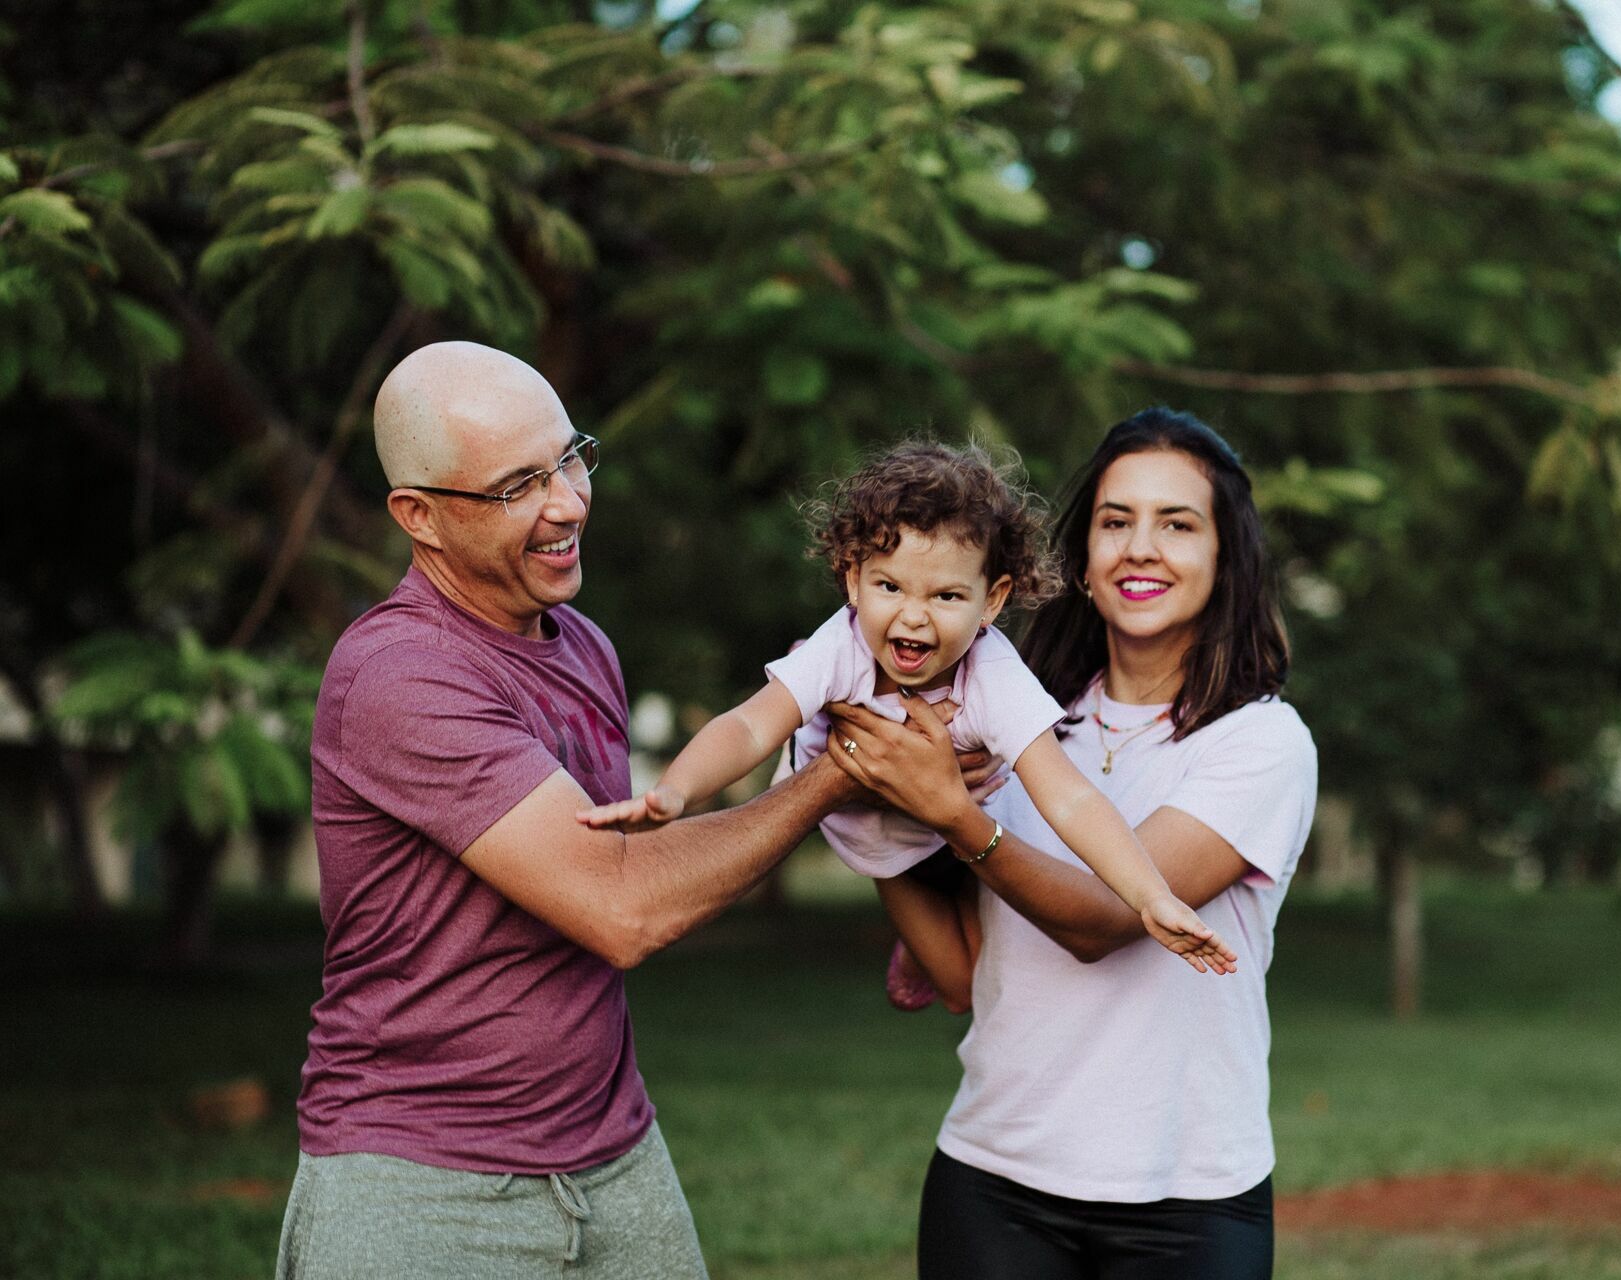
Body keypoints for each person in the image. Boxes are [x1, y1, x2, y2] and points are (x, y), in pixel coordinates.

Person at [277, 341, 879, 1280]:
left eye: (570, 458)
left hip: (613, 1155)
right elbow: (622, 908)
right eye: (519, 484)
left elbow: (622, 860)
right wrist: (840, 773)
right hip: (423, 1182)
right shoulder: (401, 675)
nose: (567, 502)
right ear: (420, 517)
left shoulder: (582, 642)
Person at [828, 408, 1317, 1279]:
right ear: (1082, 559)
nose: (1141, 548)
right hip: (994, 1182)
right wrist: (872, 817)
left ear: (1225, 559)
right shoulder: (1013, 725)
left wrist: (952, 814)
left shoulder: (1259, 742)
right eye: (1115, 521)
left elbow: (1100, 921)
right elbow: (959, 976)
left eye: (1177, 524)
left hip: (1187, 1205)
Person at [578, 441, 1237, 982]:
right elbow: (751, 722)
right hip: (848, 815)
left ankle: (926, 947)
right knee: (934, 951)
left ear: (992, 601)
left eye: (947, 595)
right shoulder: (840, 640)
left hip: (936, 837)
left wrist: (1150, 894)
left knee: (955, 985)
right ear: (852, 578)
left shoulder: (995, 675)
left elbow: (1069, 799)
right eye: (889, 586)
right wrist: (675, 789)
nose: (914, 615)